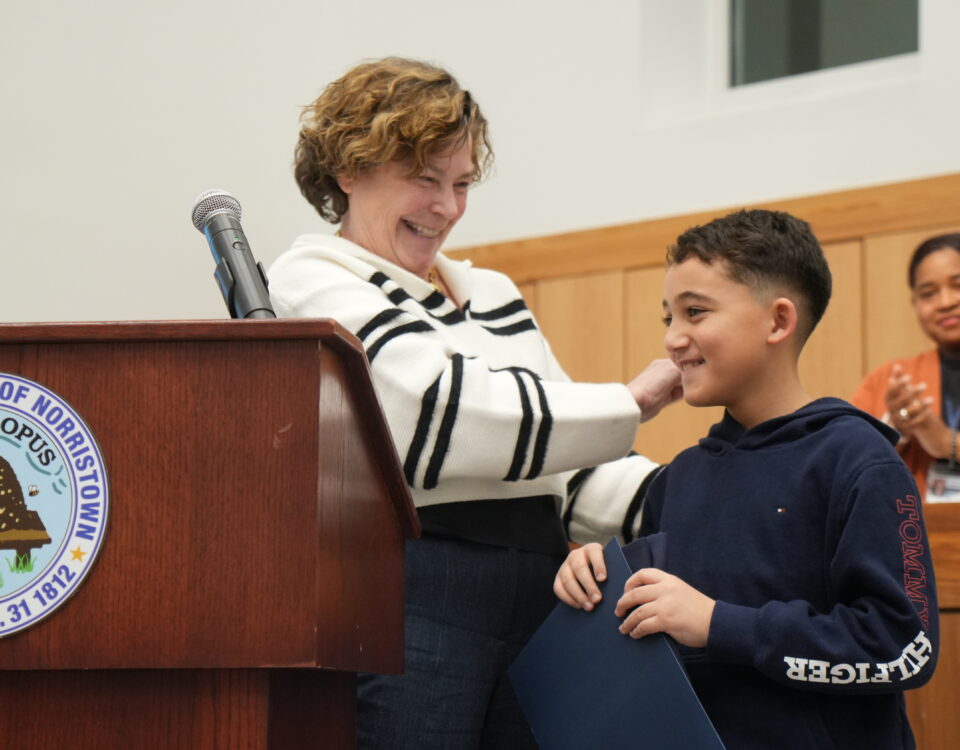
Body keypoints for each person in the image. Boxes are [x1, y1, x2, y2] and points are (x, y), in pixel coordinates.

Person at [267, 57, 681, 749]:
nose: (448, 208)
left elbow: (566, 468)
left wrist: (702, 494)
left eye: (461, 183)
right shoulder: (309, 279)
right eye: (424, 179)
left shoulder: (492, 292)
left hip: (548, 593)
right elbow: (437, 418)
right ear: (347, 169)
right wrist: (630, 402)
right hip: (418, 591)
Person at [554, 209, 939, 749]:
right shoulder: (680, 478)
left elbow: (903, 650)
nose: (673, 338)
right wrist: (597, 572)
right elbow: (657, 616)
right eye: (669, 317)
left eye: (695, 312)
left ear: (778, 322)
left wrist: (720, 625)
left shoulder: (858, 461)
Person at [852, 233, 960, 502]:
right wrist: (896, 433)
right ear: (915, 304)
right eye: (928, 293)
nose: (946, 302)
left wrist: (947, 442)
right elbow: (847, 464)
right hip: (918, 538)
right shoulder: (890, 380)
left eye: (957, 285)